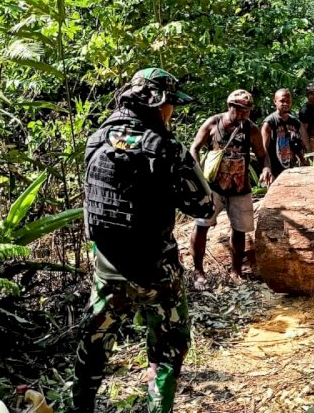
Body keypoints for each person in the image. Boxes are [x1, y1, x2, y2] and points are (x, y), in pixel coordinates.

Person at [73, 68, 214, 413]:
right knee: (168, 350)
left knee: (93, 348)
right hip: (157, 273)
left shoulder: (97, 139)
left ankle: (81, 407)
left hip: (108, 272)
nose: (172, 111)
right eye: (171, 104)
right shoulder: (167, 148)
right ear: (158, 104)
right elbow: (204, 205)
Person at [189, 90, 273, 288]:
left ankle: (236, 271)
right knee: (202, 225)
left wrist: (266, 168)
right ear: (230, 107)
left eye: (247, 111)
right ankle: (198, 271)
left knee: (239, 229)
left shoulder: (251, 129)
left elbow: (262, 155)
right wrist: (197, 174)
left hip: (240, 187)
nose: (244, 114)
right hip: (212, 187)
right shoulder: (213, 123)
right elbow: (195, 148)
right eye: (240, 110)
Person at [261, 88, 310, 180]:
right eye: (282, 101)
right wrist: (267, 168)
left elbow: (300, 143)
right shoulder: (270, 122)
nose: (286, 104)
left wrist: (304, 160)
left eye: (288, 101)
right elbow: (264, 148)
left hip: (291, 169)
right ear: (275, 101)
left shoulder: (294, 122)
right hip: (275, 170)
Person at [298, 83, 314, 152]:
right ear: (308, 95)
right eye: (312, 94)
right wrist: (307, 146)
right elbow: (303, 130)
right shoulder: (305, 110)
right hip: (310, 140)